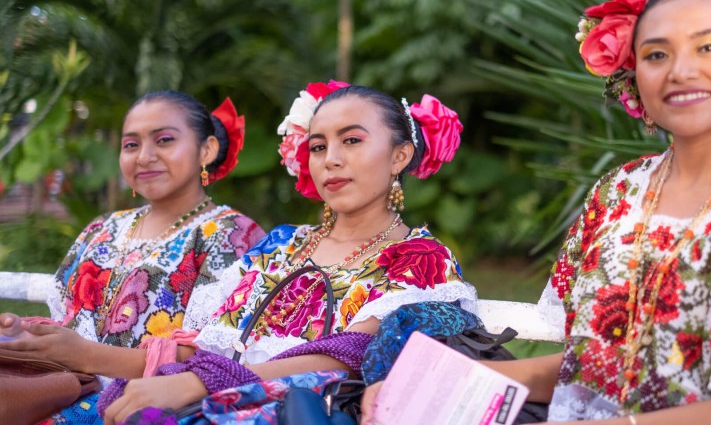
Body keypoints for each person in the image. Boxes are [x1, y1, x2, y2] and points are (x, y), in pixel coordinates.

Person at [360, 0, 711, 424]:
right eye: (656, 53)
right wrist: (449, 381)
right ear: (636, 75)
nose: (681, 70)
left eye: (710, 47)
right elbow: (593, 367)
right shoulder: (619, 191)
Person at [97, 81, 478, 423]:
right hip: (208, 402)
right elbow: (213, 342)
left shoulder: (419, 258)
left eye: (352, 140)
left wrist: (202, 382)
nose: (330, 159)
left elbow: (346, 357)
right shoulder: (281, 244)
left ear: (399, 156)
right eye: (318, 146)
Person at [0, 91, 266, 420]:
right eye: (131, 145)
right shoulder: (104, 227)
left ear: (207, 150)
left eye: (164, 140)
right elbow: (65, 320)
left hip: (143, 407)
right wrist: (26, 336)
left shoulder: (233, 234)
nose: (144, 157)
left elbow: (216, 360)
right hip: (58, 388)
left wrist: (86, 355)